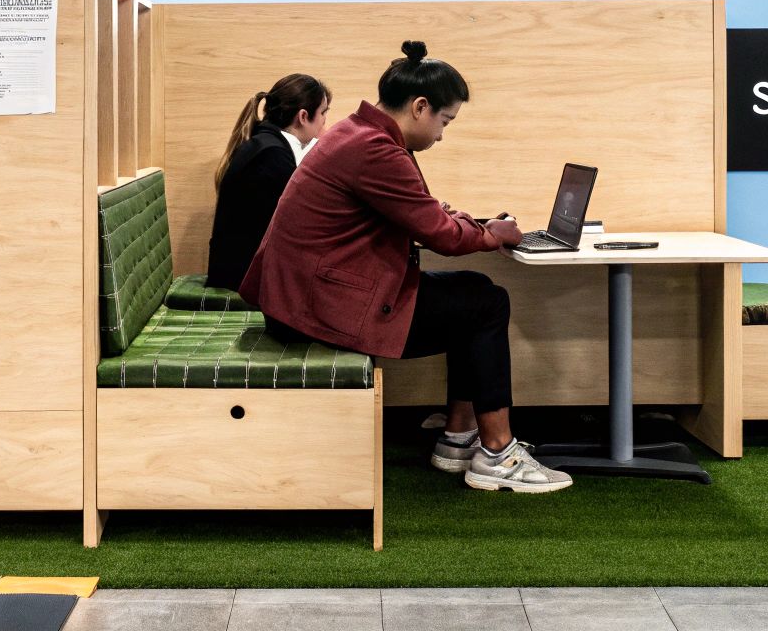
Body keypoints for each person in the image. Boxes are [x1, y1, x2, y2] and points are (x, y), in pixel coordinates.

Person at [240, 41, 572, 493]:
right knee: (485, 303)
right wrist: (495, 234)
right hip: (314, 308)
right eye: (444, 120)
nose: (441, 134)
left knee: (473, 296)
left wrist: (462, 222)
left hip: (301, 296)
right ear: (420, 107)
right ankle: (497, 451)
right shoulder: (376, 149)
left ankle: (459, 438)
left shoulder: (354, 133)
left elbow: (422, 213)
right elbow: (441, 234)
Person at [205, 73, 331, 291]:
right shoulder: (272, 155)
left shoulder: (266, 144)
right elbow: (300, 222)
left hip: (239, 271)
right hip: (241, 278)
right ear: (303, 116)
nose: (325, 121)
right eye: (323, 113)